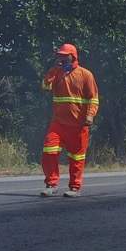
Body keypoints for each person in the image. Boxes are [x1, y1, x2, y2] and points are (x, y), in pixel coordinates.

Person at [40, 43, 99, 197]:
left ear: (73, 56)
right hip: (58, 123)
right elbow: (45, 88)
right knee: (49, 151)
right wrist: (50, 75)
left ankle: (75, 188)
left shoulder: (86, 75)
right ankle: (51, 184)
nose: (62, 58)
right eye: (60, 55)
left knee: (76, 157)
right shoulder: (56, 72)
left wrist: (90, 115)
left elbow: (93, 98)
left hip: (78, 125)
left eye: (65, 55)